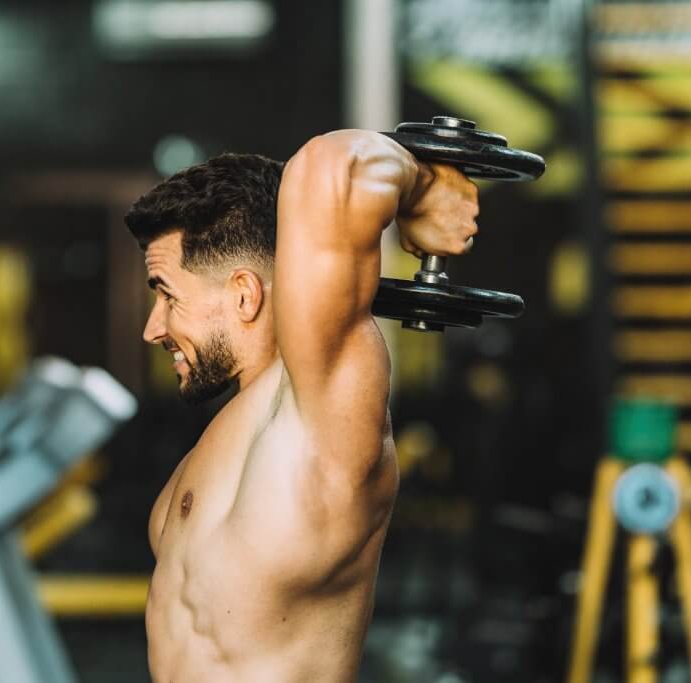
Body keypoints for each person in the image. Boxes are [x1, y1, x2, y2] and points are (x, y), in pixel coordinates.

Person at [124, 128, 479, 682]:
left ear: (244, 294)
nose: (152, 328)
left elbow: (332, 164)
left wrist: (427, 188)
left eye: (167, 295)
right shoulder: (225, 436)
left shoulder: (322, 423)